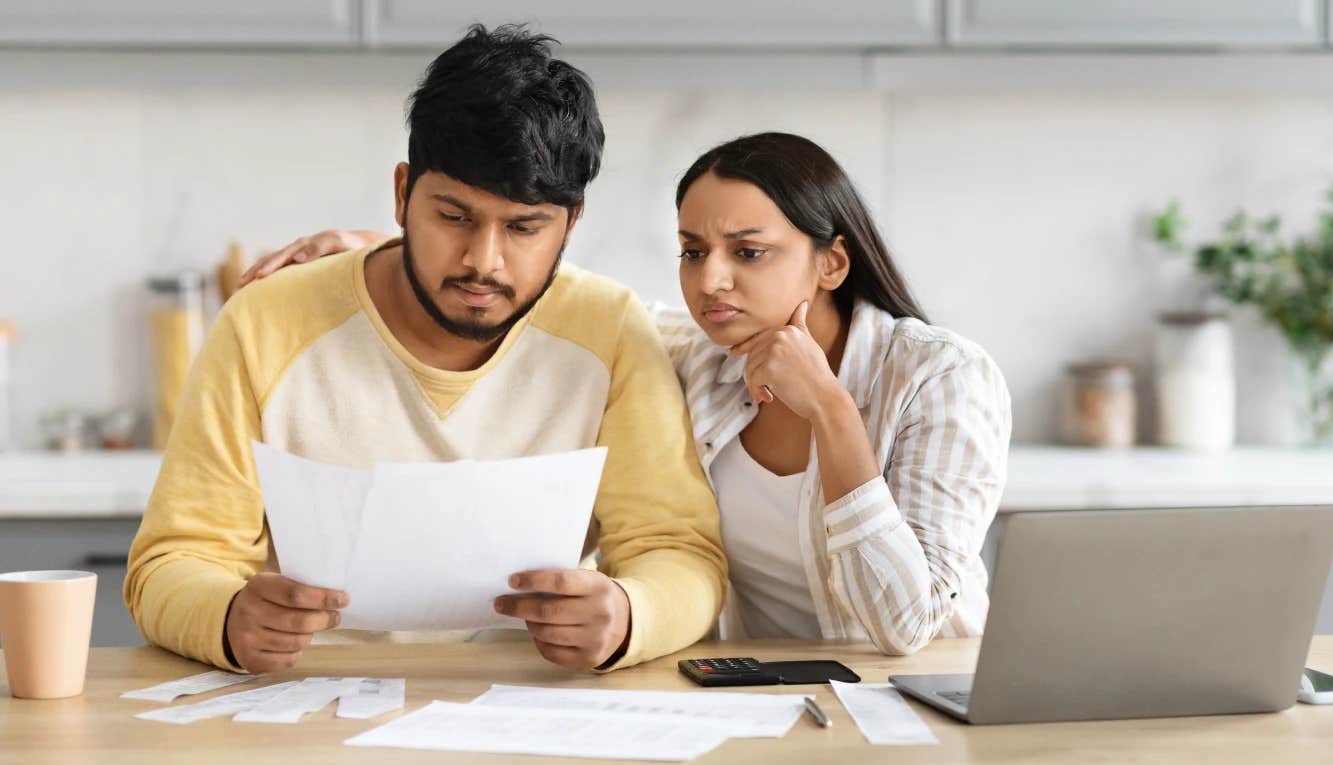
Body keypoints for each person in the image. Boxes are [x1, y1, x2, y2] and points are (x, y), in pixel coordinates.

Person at [246, 132, 1011, 655]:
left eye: (748, 253)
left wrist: (833, 411)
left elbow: (903, 626)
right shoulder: (700, 356)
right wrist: (386, 252)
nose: (711, 279)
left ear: (832, 264)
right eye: (692, 250)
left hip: (918, 709)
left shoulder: (942, 379)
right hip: (758, 701)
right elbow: (562, 302)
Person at [123, 25, 726, 675]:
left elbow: (680, 552)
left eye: (524, 227)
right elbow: (172, 561)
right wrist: (227, 616)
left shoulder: (609, 328)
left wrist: (630, 611)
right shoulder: (264, 323)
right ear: (403, 193)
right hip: (308, 701)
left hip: (533, 700)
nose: (482, 261)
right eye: (454, 216)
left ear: (570, 222)